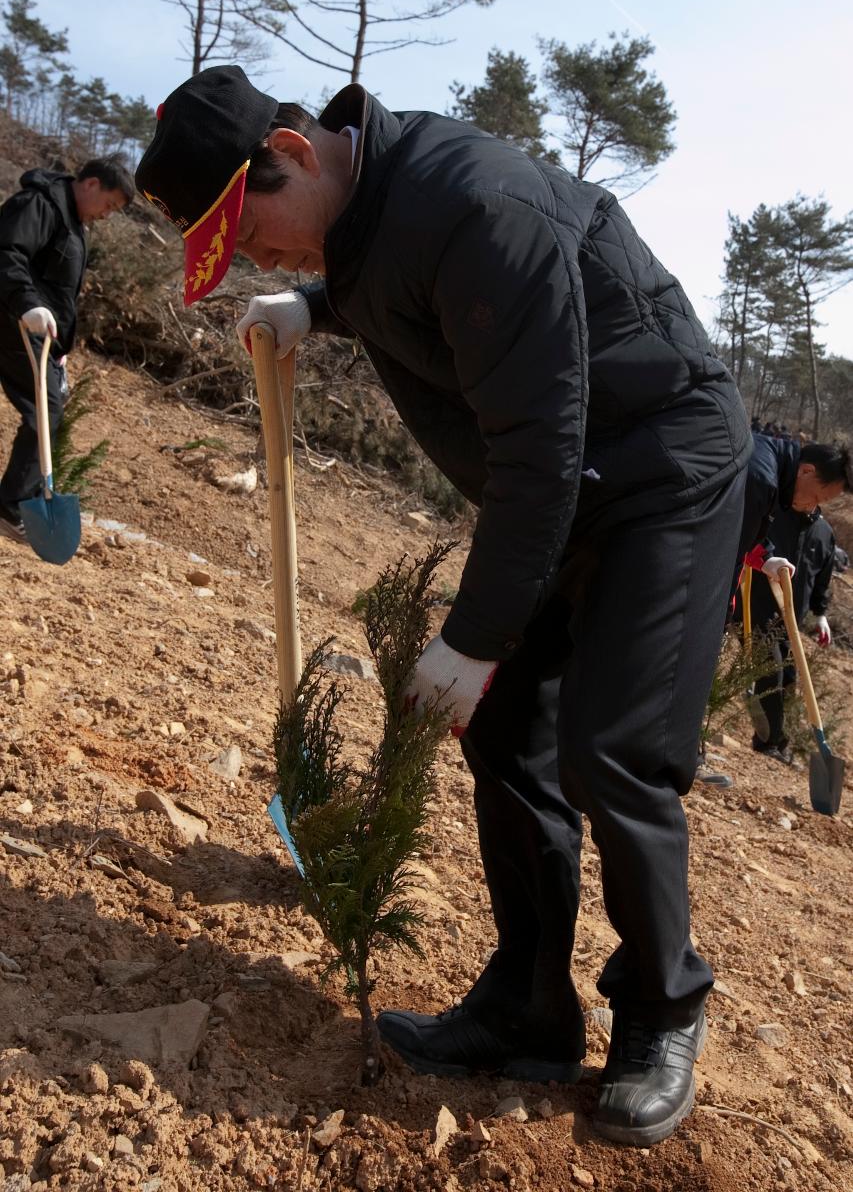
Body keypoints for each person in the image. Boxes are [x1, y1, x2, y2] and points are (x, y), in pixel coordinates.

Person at [136, 65, 752, 1147]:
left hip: (661, 469)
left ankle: (661, 1009)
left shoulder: (474, 204)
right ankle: (527, 1006)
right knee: (508, 736)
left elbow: (539, 449)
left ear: (292, 143)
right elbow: (389, 275)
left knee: (612, 747)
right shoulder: (364, 214)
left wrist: (473, 638)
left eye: (255, 232)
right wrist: (312, 305)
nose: (258, 257)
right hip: (569, 480)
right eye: (236, 257)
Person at [0, 156, 133, 542]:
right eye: (109, 204)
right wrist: (27, 304)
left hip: (37, 335)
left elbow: (57, 287)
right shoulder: (39, 205)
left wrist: (60, 351)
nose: (107, 215)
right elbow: (7, 253)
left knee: (48, 407)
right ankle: (10, 507)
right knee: (45, 410)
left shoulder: (73, 222)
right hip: (14, 323)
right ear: (90, 183)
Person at [737, 506, 836, 763]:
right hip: (758, 610)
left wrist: (821, 615)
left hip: (791, 619)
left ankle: (780, 741)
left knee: (790, 677)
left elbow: (821, 580)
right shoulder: (775, 517)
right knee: (772, 670)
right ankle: (767, 742)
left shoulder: (824, 532)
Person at [734, 432, 851, 591]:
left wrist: (765, 559)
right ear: (806, 471)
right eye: (815, 497)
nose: (811, 508)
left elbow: (744, 529)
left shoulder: (767, 456)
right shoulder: (762, 483)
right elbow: (729, 556)